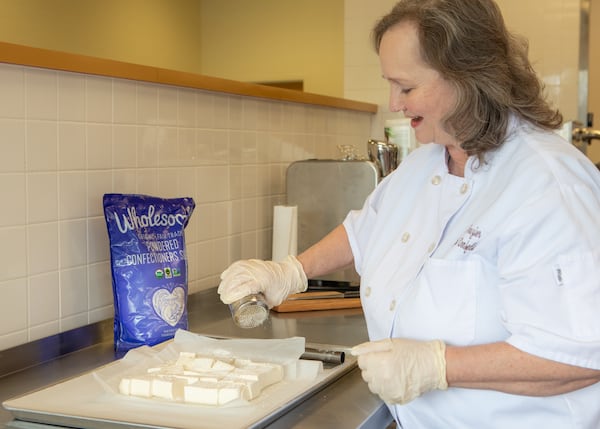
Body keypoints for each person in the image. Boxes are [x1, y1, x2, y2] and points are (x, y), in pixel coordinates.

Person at [218, 0, 600, 427]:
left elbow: (581, 354)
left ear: (470, 77)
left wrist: (438, 366)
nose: (393, 104)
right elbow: (367, 229)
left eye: (406, 87)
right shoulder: (426, 162)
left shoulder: (548, 184)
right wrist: (289, 272)